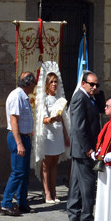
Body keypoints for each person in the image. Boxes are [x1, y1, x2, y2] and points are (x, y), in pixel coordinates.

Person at [67, 71, 101, 221]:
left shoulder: (90, 97)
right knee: (88, 183)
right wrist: (88, 149)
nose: (94, 87)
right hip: (83, 149)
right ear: (83, 84)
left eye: (96, 85)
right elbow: (78, 128)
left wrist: (97, 94)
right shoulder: (80, 98)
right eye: (91, 84)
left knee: (75, 182)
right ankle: (86, 215)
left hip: (81, 149)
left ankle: (74, 212)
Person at [2, 72, 37, 216]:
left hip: (25, 137)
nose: (35, 85)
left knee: (24, 173)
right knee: (18, 172)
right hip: (18, 138)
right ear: (28, 83)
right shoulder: (17, 96)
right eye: (34, 82)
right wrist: (19, 143)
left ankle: (22, 203)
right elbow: (14, 121)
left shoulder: (23, 96)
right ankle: (5, 203)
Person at [35, 70, 68, 204]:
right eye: (51, 82)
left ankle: (54, 192)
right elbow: (42, 119)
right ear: (47, 84)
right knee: (46, 164)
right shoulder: (44, 98)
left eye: (56, 81)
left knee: (55, 164)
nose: (54, 84)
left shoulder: (59, 98)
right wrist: (52, 119)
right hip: (48, 134)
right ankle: (47, 192)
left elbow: (64, 118)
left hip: (58, 133)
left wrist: (66, 134)